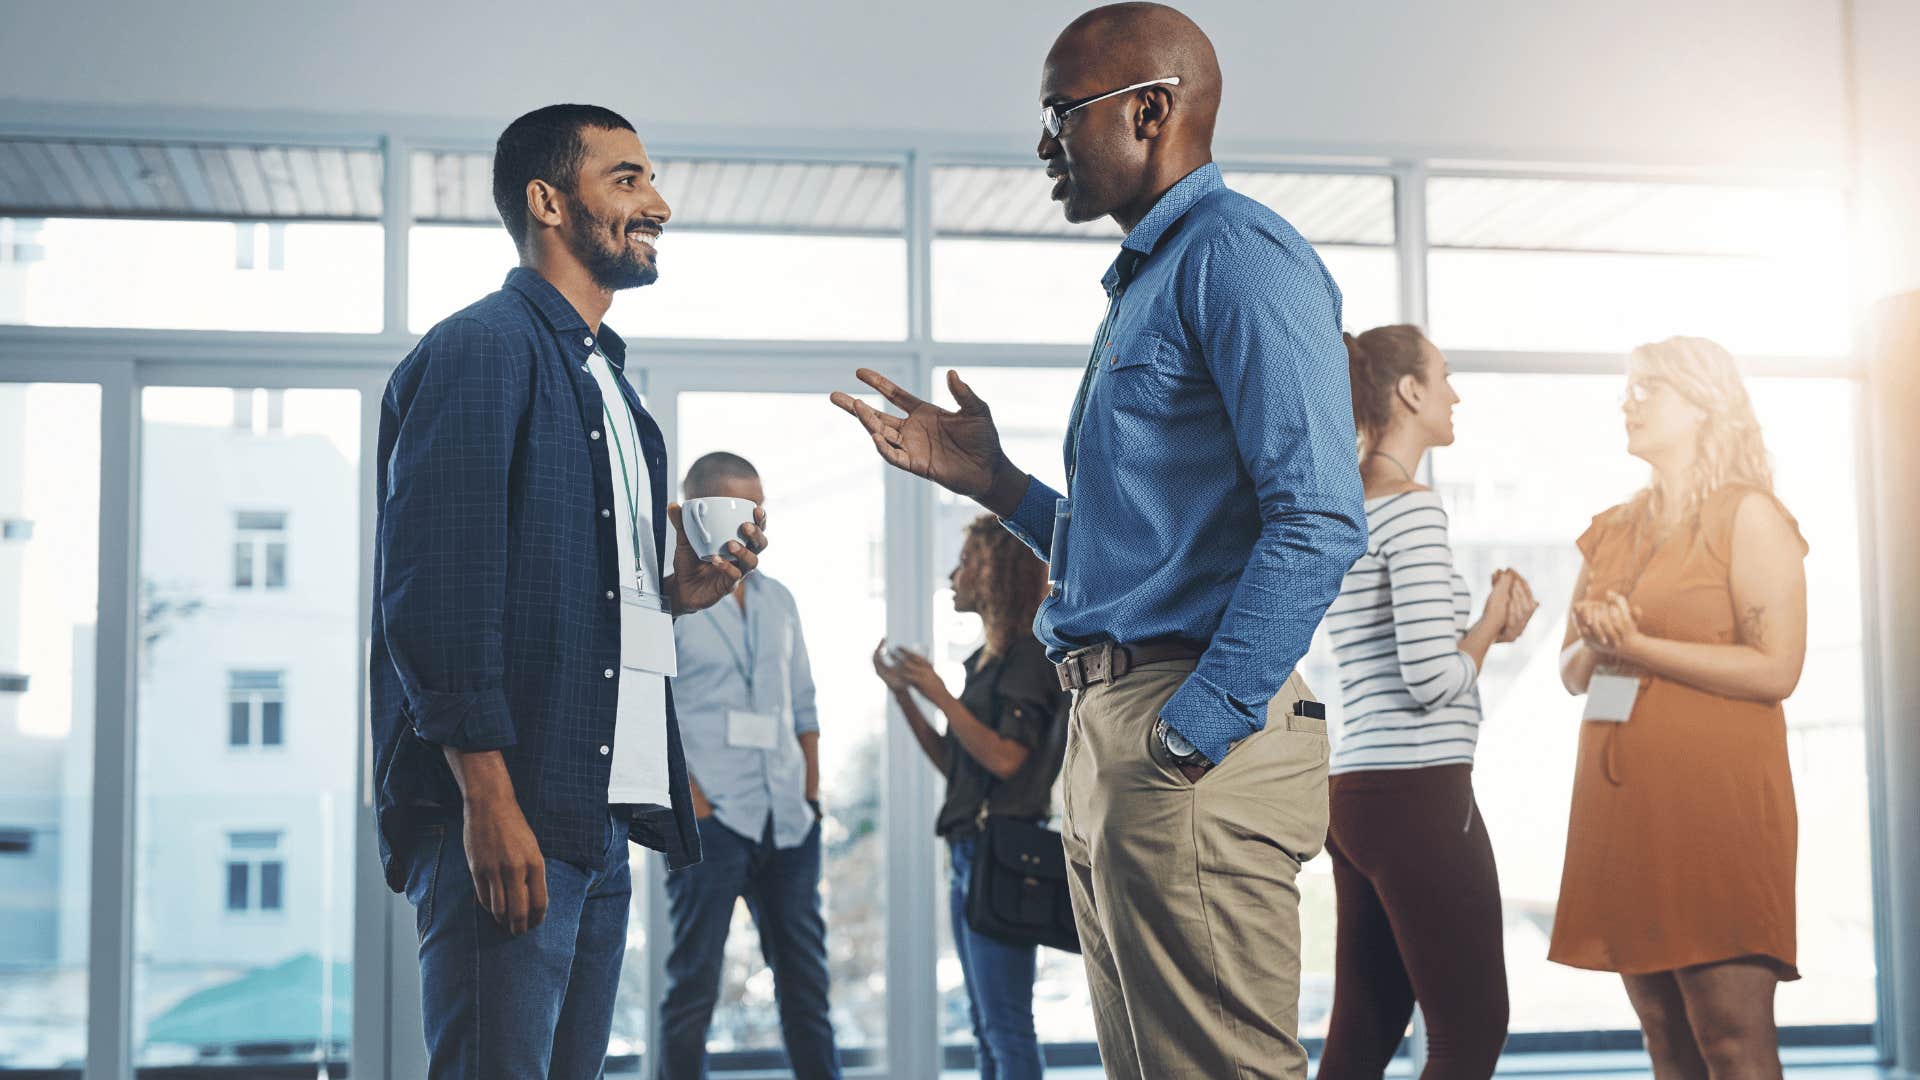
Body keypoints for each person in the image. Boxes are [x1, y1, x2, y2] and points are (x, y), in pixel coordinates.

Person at [831, 5, 1367, 1075]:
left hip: (1184, 728)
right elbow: (1131, 553)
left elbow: (1318, 516)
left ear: (1151, 110)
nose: (1042, 146)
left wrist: (1190, 733)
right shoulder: (1150, 278)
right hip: (1115, 724)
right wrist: (995, 483)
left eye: (1058, 115)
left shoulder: (1240, 258)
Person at [368, 104, 769, 1079]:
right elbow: (436, 588)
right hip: (515, 812)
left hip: (599, 814)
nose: (658, 203)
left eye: (651, 179)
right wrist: (490, 803)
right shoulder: (484, 349)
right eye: (627, 179)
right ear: (548, 202)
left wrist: (675, 594)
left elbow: (571, 596)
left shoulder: (614, 388)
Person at [1554, 336, 1807, 1080]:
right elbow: (1572, 672)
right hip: (1626, 813)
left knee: (1731, 1036)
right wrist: (1603, 644)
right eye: (1628, 389)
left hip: (1715, 810)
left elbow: (1777, 668)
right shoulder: (1612, 527)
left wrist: (1638, 644)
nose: (1627, 404)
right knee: (1664, 1036)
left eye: (1646, 390)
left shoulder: (1749, 516)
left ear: (1702, 407)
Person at [1317, 326, 1539, 1080]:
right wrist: (1489, 625)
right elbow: (1431, 680)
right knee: (1472, 1030)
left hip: (1355, 793)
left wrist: (1480, 636)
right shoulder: (1412, 509)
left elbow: (1401, 663)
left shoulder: (1347, 508)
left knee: (1365, 1031)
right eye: (1444, 377)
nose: (1455, 393)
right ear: (1410, 392)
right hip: (1417, 787)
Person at [657, 451, 841, 1079]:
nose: (753, 519)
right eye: (739, 505)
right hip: (710, 822)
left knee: (807, 992)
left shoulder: (780, 600)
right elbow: (652, 707)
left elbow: (805, 706)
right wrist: (691, 797)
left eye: (759, 506)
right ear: (700, 512)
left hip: (789, 820)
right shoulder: (668, 600)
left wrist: (811, 798)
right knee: (693, 991)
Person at [871, 514, 1068, 1080]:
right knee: (988, 1026)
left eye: (966, 561)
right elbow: (956, 763)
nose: (955, 574)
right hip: (972, 853)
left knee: (1005, 1028)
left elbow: (1008, 759)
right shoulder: (984, 661)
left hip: (1000, 854)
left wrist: (938, 692)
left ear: (993, 571)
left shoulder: (1028, 655)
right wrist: (909, 698)